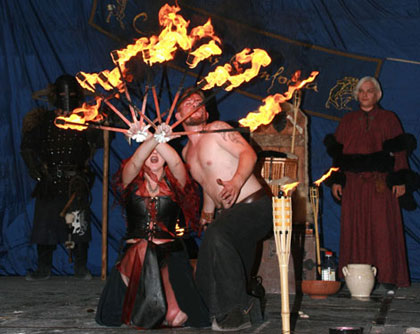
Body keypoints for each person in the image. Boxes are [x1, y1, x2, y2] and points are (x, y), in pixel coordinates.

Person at [174, 89, 273, 331]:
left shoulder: (217, 129)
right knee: (213, 243)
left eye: (199, 103)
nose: (196, 105)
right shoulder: (187, 153)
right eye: (189, 103)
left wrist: (237, 181)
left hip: (256, 205)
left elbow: (247, 153)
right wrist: (207, 213)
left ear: (206, 112)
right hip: (230, 215)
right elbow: (208, 184)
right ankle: (207, 309)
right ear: (178, 114)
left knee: (218, 235)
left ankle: (237, 311)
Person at [95, 123, 209, 329]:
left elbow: (175, 162)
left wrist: (155, 136)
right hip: (136, 255)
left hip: (170, 255)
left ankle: (153, 308)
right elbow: (137, 159)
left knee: (176, 318)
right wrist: (153, 138)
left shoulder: (177, 183)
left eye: (159, 150)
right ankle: (141, 305)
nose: (154, 154)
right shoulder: (130, 181)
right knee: (143, 248)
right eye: (150, 151)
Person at [324, 76, 417, 290]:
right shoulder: (347, 121)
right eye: (362, 91)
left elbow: (400, 151)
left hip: (381, 184)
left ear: (377, 95)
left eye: (370, 91)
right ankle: (354, 279)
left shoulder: (388, 118)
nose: (366, 94)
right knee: (354, 229)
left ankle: (387, 277)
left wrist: (400, 179)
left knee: (383, 229)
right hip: (354, 185)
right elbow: (337, 157)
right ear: (357, 95)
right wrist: (337, 180)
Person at [21, 74, 101, 280]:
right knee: (44, 225)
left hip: (76, 181)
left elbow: (98, 141)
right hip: (49, 180)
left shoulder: (85, 120)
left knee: (78, 225)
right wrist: (34, 168)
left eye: (71, 94)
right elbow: (28, 146)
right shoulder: (44, 121)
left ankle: (81, 267)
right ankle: (43, 268)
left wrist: (99, 126)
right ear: (55, 96)